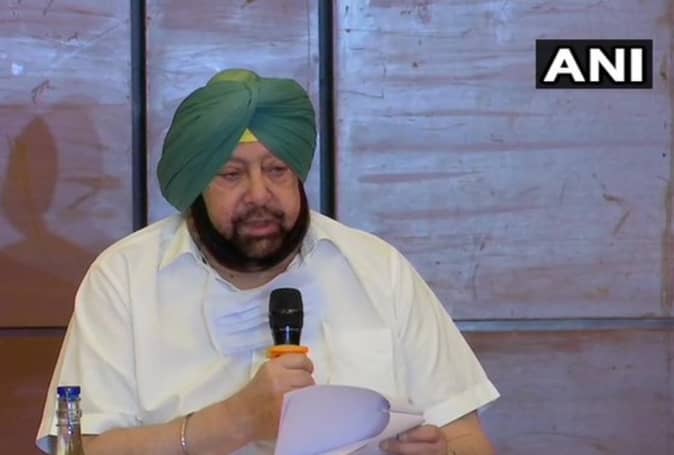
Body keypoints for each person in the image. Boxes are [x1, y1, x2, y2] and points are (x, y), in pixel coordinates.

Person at [36, 69, 499, 454]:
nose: (259, 194)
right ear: (195, 186)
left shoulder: (377, 268)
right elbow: (78, 449)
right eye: (231, 174)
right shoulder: (125, 278)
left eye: (277, 170)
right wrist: (233, 423)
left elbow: (468, 439)